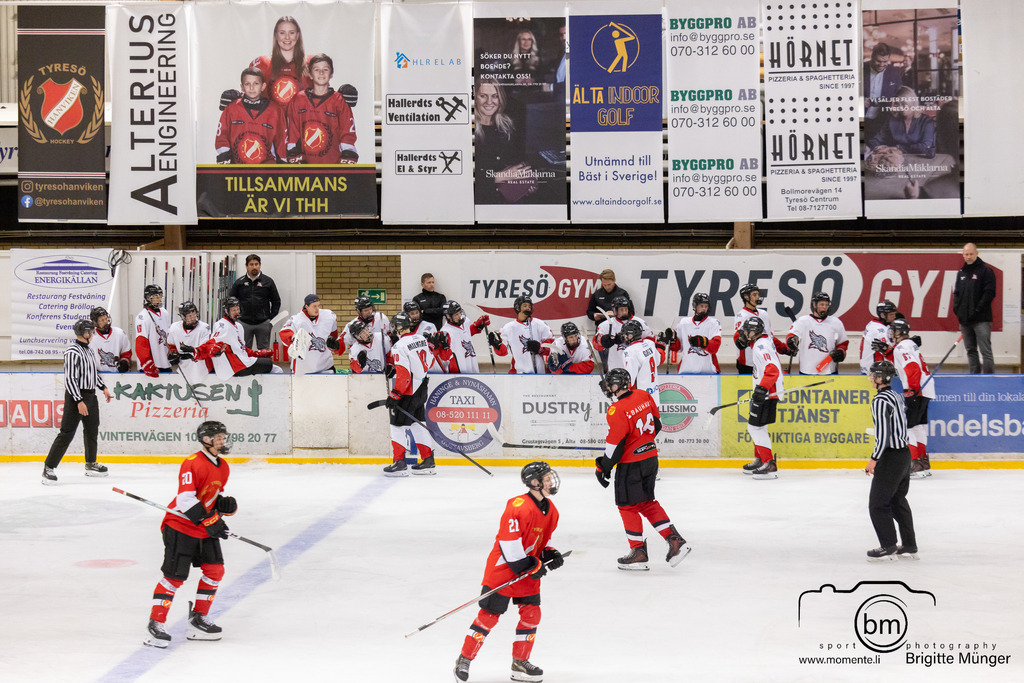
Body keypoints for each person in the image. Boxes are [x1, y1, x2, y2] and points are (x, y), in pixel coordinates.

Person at [454, 462, 563, 683]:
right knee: (489, 616)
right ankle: (464, 659)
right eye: (546, 478)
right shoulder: (517, 506)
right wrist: (532, 565)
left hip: (528, 569)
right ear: (534, 482)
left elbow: (541, 541)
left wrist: (549, 553)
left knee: (532, 614)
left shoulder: (552, 510)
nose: (551, 481)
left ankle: (520, 663)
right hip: (504, 570)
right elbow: (510, 547)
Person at [144, 421, 236, 648]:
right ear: (206, 440)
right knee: (175, 577)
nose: (222, 441)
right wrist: (210, 520)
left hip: (201, 525)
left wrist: (223, 507)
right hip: (180, 525)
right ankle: (156, 623)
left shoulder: (223, 466)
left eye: (223, 437)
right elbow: (185, 499)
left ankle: (198, 619)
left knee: (215, 570)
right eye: (218, 438)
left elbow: (210, 498)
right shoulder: (192, 463)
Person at [594, 368, 690, 570]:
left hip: (632, 464)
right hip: (650, 459)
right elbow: (657, 425)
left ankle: (638, 552)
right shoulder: (643, 395)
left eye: (610, 385)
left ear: (616, 385)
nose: (608, 388)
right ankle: (675, 540)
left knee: (626, 506)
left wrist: (603, 467)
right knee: (646, 503)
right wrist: (642, 442)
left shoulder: (616, 410)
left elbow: (615, 447)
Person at [42, 319, 113, 485]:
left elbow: (92, 373)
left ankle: (91, 463)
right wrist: (79, 401)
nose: (93, 334)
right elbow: (70, 379)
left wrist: (103, 387)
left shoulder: (89, 350)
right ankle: (48, 467)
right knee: (67, 433)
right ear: (84, 333)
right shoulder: (72, 352)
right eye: (91, 332)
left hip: (91, 396)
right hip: (76, 397)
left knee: (92, 430)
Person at [864, 361, 918, 562]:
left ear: (880, 378)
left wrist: (874, 459)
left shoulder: (880, 400)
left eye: (873, 375)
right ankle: (909, 544)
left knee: (877, 504)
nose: (870, 378)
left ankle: (888, 545)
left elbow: (883, 435)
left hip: (891, 457)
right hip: (904, 455)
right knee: (897, 501)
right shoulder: (896, 395)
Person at [383, 313, 437, 476]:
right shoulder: (421, 339)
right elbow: (430, 362)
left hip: (408, 390)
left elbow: (404, 375)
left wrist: (395, 395)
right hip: (422, 389)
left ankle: (399, 463)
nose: (394, 330)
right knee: (418, 423)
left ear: (400, 327)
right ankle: (428, 460)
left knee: (397, 425)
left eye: (395, 326)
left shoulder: (399, 346)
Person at [285, 53, 358, 165]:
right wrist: (293, 151)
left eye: (325, 69)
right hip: (305, 165)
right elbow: (292, 131)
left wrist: (348, 152)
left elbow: (347, 131)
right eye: (316, 70)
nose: (321, 73)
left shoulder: (339, 101)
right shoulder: (298, 99)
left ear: (331, 74)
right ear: (310, 74)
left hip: (333, 164)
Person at [474, 79, 533, 204]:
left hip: (506, 197)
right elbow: (465, 177)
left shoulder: (507, 125)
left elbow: (516, 159)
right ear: (474, 98)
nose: (489, 102)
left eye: (494, 96)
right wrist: (500, 177)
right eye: (483, 96)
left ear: (500, 99)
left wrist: (526, 180)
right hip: (481, 201)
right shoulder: (469, 129)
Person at [738, 316, 783, 479]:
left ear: (754, 332)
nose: (744, 333)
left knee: (754, 428)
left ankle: (769, 463)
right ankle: (761, 460)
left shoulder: (760, 346)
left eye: (746, 331)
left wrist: (762, 389)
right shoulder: (763, 341)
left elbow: (772, 370)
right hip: (767, 392)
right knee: (760, 428)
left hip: (767, 393)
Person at [890, 319, 934, 479]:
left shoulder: (902, 347)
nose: (891, 334)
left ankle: (914, 464)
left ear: (899, 332)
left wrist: (912, 390)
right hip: (926, 389)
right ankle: (923, 463)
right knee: (919, 426)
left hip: (917, 390)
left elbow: (912, 367)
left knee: (907, 427)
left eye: (893, 330)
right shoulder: (910, 345)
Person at [215, 68, 286, 164]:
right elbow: (222, 135)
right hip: (238, 168)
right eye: (247, 84)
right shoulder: (231, 109)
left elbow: (281, 139)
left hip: (267, 168)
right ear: (242, 87)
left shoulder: (275, 111)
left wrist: (283, 161)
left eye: (256, 84)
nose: (251, 88)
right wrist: (224, 154)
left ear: (263, 86)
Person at [210, 297, 281, 378]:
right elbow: (213, 344)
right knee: (271, 365)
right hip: (233, 366)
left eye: (238, 309)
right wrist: (215, 351)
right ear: (226, 311)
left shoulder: (238, 326)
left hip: (241, 362)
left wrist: (257, 353)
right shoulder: (222, 325)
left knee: (273, 367)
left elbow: (242, 349)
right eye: (233, 310)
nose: (237, 312)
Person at [953, 242, 997, 374]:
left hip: (981, 319)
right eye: (966, 254)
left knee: (985, 351)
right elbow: (957, 293)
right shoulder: (961, 273)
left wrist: (977, 310)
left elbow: (989, 293)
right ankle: (974, 377)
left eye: (971, 254)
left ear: (976, 254)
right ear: (963, 255)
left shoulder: (986, 271)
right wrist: (957, 310)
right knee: (970, 350)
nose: (968, 257)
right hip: (965, 321)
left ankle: (989, 379)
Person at [733, 283, 792, 374]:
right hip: (748, 364)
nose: (758, 297)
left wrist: (785, 349)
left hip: (765, 361)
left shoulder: (764, 314)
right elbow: (738, 338)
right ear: (746, 297)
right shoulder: (741, 316)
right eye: (754, 295)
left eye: (758, 294)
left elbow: (769, 337)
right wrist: (742, 340)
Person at [785, 292, 849, 375]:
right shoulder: (802, 321)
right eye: (822, 304)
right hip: (807, 370)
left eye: (826, 305)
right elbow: (791, 336)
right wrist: (791, 341)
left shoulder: (836, 322)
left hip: (829, 370)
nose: (824, 307)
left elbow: (842, 343)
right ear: (814, 305)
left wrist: (841, 352)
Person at [227, 254, 282, 350]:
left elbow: (276, 301)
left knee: (264, 352)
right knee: (243, 351)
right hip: (243, 323)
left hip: (263, 323)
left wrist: (270, 319)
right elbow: (231, 301)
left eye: (256, 264)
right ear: (246, 266)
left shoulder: (268, 281)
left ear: (260, 265)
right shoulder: (239, 283)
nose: (254, 267)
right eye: (251, 264)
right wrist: (236, 317)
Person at [278, 294, 342, 374]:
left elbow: (333, 335)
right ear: (306, 306)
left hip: (326, 368)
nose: (317, 309)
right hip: (303, 370)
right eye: (314, 306)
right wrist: (294, 338)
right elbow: (284, 332)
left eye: (318, 305)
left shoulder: (329, 316)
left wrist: (334, 344)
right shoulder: (296, 320)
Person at [489, 295, 554, 374]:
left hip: (540, 373)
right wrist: (497, 345)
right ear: (517, 308)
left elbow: (552, 348)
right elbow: (503, 352)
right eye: (525, 306)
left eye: (529, 306)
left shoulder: (541, 324)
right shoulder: (508, 328)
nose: (528, 308)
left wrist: (540, 348)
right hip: (517, 373)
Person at [867, 86, 936, 159]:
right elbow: (875, 140)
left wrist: (896, 148)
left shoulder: (926, 121)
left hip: (922, 161)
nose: (900, 107)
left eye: (904, 104)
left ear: (913, 103)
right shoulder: (892, 120)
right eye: (897, 104)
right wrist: (870, 147)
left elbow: (925, 146)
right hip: (896, 159)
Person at [665, 292, 722, 374]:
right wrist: (671, 340)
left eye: (706, 306)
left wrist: (702, 341)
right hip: (686, 370)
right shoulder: (684, 323)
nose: (704, 309)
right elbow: (678, 348)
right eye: (701, 306)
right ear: (695, 306)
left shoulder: (714, 323)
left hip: (709, 371)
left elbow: (715, 347)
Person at [593, 295, 651, 372]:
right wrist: (603, 340)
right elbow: (596, 344)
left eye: (626, 309)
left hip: (637, 367)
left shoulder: (640, 323)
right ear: (614, 310)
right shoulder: (606, 325)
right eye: (621, 310)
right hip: (615, 367)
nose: (624, 312)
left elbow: (650, 342)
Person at [586, 269, 629, 372]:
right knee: (605, 360)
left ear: (614, 280)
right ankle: (608, 376)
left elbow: (630, 313)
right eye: (604, 284)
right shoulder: (597, 294)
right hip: (603, 329)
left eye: (609, 284)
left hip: (619, 329)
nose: (607, 287)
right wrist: (594, 316)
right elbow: (589, 311)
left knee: (623, 357)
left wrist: (616, 314)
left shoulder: (622, 293)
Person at [863, 43, 906, 140]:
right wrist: (858, 100)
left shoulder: (894, 73)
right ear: (872, 57)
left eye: (885, 61)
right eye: (878, 61)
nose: (882, 65)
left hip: (883, 121)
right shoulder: (860, 69)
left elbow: (900, 95)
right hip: (860, 118)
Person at [434, 300, 488, 374]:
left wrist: (477, 326)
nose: (459, 315)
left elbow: (465, 334)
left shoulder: (465, 321)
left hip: (471, 363)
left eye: (459, 312)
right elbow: (444, 357)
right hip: (459, 370)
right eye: (456, 314)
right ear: (448, 316)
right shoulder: (446, 332)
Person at [167, 302, 213, 385]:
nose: (193, 318)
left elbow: (205, 348)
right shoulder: (174, 328)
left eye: (194, 314)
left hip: (202, 368)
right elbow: (171, 345)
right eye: (189, 316)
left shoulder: (204, 328)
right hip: (182, 369)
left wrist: (191, 351)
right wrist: (173, 354)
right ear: (182, 317)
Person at [621, 320, 664, 399]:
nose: (624, 337)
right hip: (654, 396)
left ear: (630, 335)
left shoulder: (630, 351)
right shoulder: (650, 343)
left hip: (641, 399)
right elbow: (659, 361)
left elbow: (629, 380)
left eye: (625, 334)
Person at [135, 284, 171, 378]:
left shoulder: (165, 313)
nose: (159, 299)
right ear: (148, 298)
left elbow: (169, 335)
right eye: (156, 297)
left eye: (160, 296)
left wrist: (172, 351)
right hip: (152, 365)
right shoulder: (142, 317)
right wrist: (147, 362)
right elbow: (141, 342)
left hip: (165, 362)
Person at [88, 306, 131, 373]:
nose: (106, 321)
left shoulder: (120, 333)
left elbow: (126, 351)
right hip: (99, 375)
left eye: (106, 318)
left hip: (119, 374)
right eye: (102, 320)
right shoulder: (91, 337)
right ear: (95, 323)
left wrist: (125, 362)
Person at [860, 300, 897, 374]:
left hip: (871, 368)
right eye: (891, 315)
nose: (894, 317)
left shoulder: (873, 324)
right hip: (875, 372)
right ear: (882, 315)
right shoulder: (879, 330)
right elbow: (893, 350)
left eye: (894, 314)